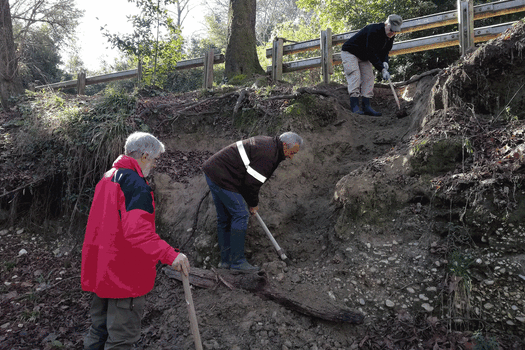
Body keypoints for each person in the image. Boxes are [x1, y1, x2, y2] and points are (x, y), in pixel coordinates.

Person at [81, 131, 190, 349]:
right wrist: (171, 255)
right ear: (144, 157)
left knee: (98, 332)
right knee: (120, 340)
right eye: (156, 159)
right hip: (124, 274)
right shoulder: (135, 185)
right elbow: (138, 233)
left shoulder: (107, 177)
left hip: (102, 269)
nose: (156, 164)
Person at [202, 132, 303, 271]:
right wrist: (253, 203)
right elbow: (251, 184)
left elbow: (248, 179)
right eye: (291, 153)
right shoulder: (268, 155)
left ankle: (226, 262)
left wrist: (250, 200)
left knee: (224, 219)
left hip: (214, 171)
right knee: (241, 215)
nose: (291, 157)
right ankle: (237, 263)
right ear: (285, 145)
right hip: (223, 177)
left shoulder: (270, 145)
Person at [341, 14, 403, 116]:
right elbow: (371, 52)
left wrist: (385, 62)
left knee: (369, 77)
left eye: (396, 31)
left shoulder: (391, 35)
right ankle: (355, 107)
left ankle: (367, 107)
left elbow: (385, 51)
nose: (393, 33)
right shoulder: (373, 30)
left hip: (364, 56)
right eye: (392, 29)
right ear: (386, 24)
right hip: (350, 52)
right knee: (355, 76)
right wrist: (382, 69)